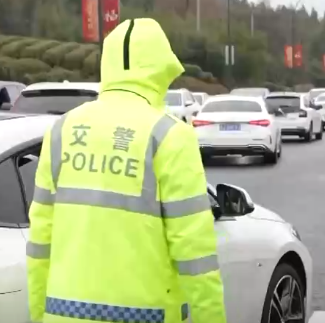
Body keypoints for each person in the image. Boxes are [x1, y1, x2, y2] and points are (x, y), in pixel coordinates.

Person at [26, 18, 227, 323]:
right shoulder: (169, 135)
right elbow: (195, 253)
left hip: (63, 315)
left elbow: (40, 242)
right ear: (161, 70)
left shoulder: (61, 130)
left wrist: (39, 314)